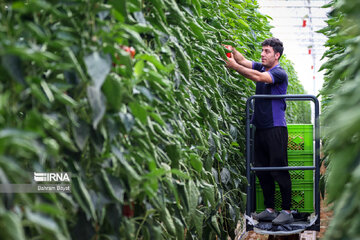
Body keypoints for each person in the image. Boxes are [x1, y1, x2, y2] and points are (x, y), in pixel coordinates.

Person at [225, 38, 293, 225]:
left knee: (278, 170)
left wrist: (234, 67)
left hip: (275, 128)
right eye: (262, 50)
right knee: (263, 170)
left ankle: (287, 210)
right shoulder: (263, 67)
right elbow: (243, 61)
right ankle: (270, 209)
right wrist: (232, 50)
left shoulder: (279, 73)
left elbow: (256, 77)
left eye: (267, 51)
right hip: (261, 128)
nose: (262, 54)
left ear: (277, 55)